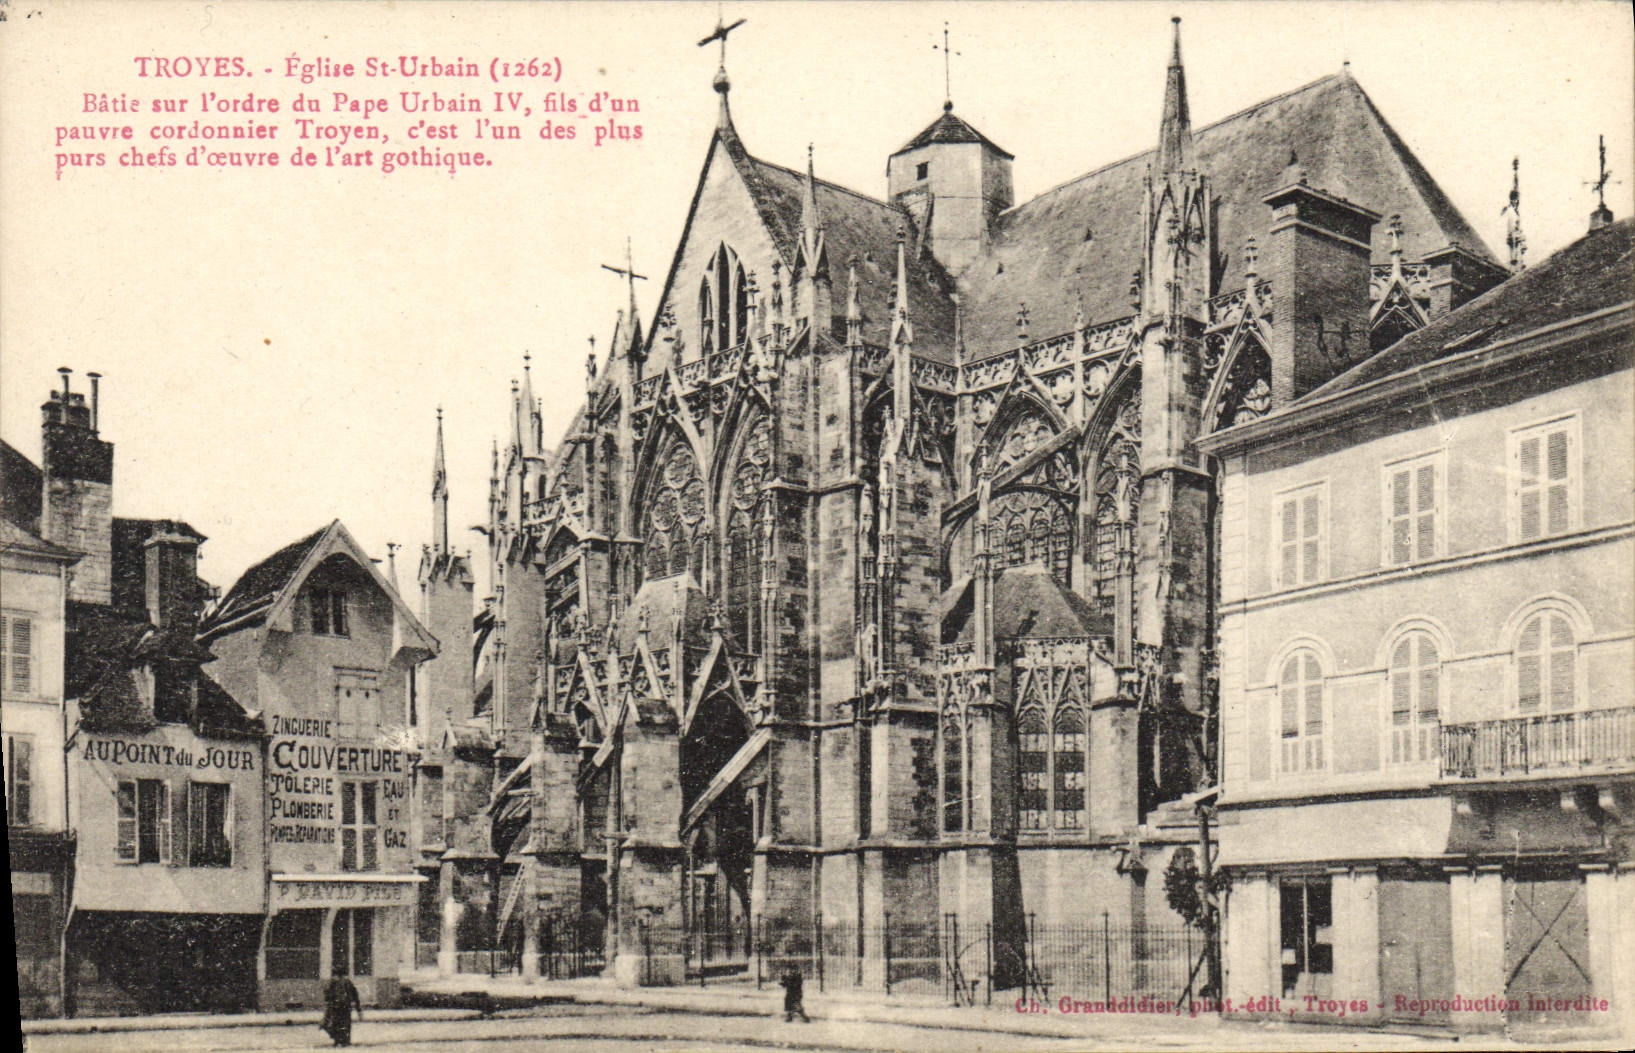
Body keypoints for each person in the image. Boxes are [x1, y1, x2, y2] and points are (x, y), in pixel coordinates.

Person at [321, 967, 363, 1047]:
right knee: (345, 1024)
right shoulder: (348, 982)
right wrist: (358, 1010)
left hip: (336, 1007)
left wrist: (329, 1006)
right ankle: (345, 1041)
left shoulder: (333, 983)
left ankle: (337, 1040)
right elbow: (355, 996)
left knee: (336, 1024)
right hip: (345, 1007)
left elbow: (327, 996)